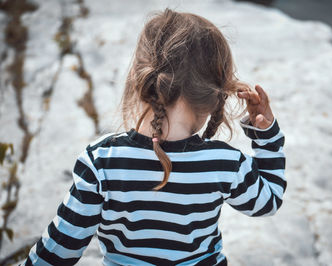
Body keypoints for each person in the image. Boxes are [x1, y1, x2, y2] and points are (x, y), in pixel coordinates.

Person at [21, 7, 286, 266]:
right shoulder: (225, 163)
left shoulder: (102, 162)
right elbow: (269, 201)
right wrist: (266, 135)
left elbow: (58, 252)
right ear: (212, 96)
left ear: (138, 79)